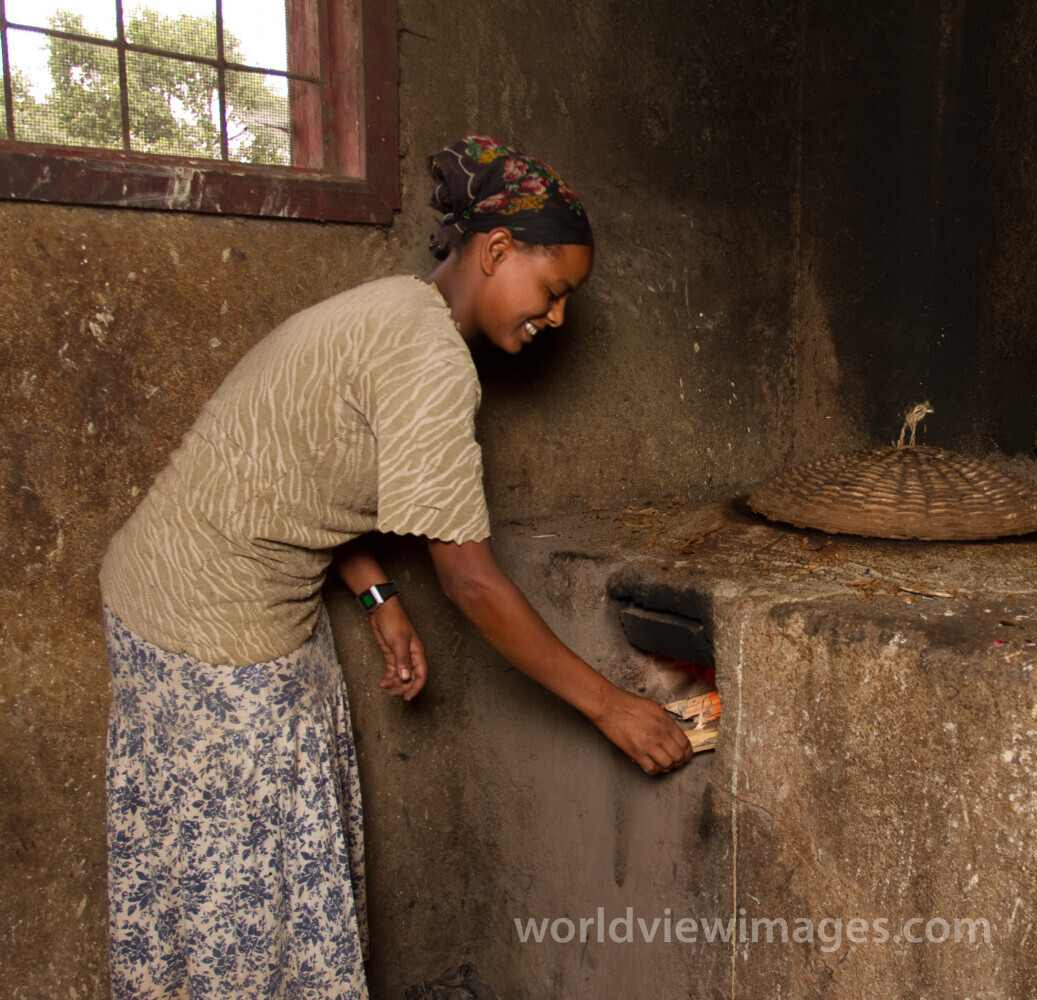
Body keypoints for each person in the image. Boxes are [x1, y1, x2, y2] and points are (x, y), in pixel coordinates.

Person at [97, 136, 693, 1000]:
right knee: (240, 917)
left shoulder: (393, 308)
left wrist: (376, 593)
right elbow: (471, 583)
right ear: (495, 251)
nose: (557, 317)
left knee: (247, 885)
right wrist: (612, 707)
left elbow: (297, 462)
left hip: (178, 599)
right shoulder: (428, 360)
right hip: (206, 637)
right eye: (553, 290)